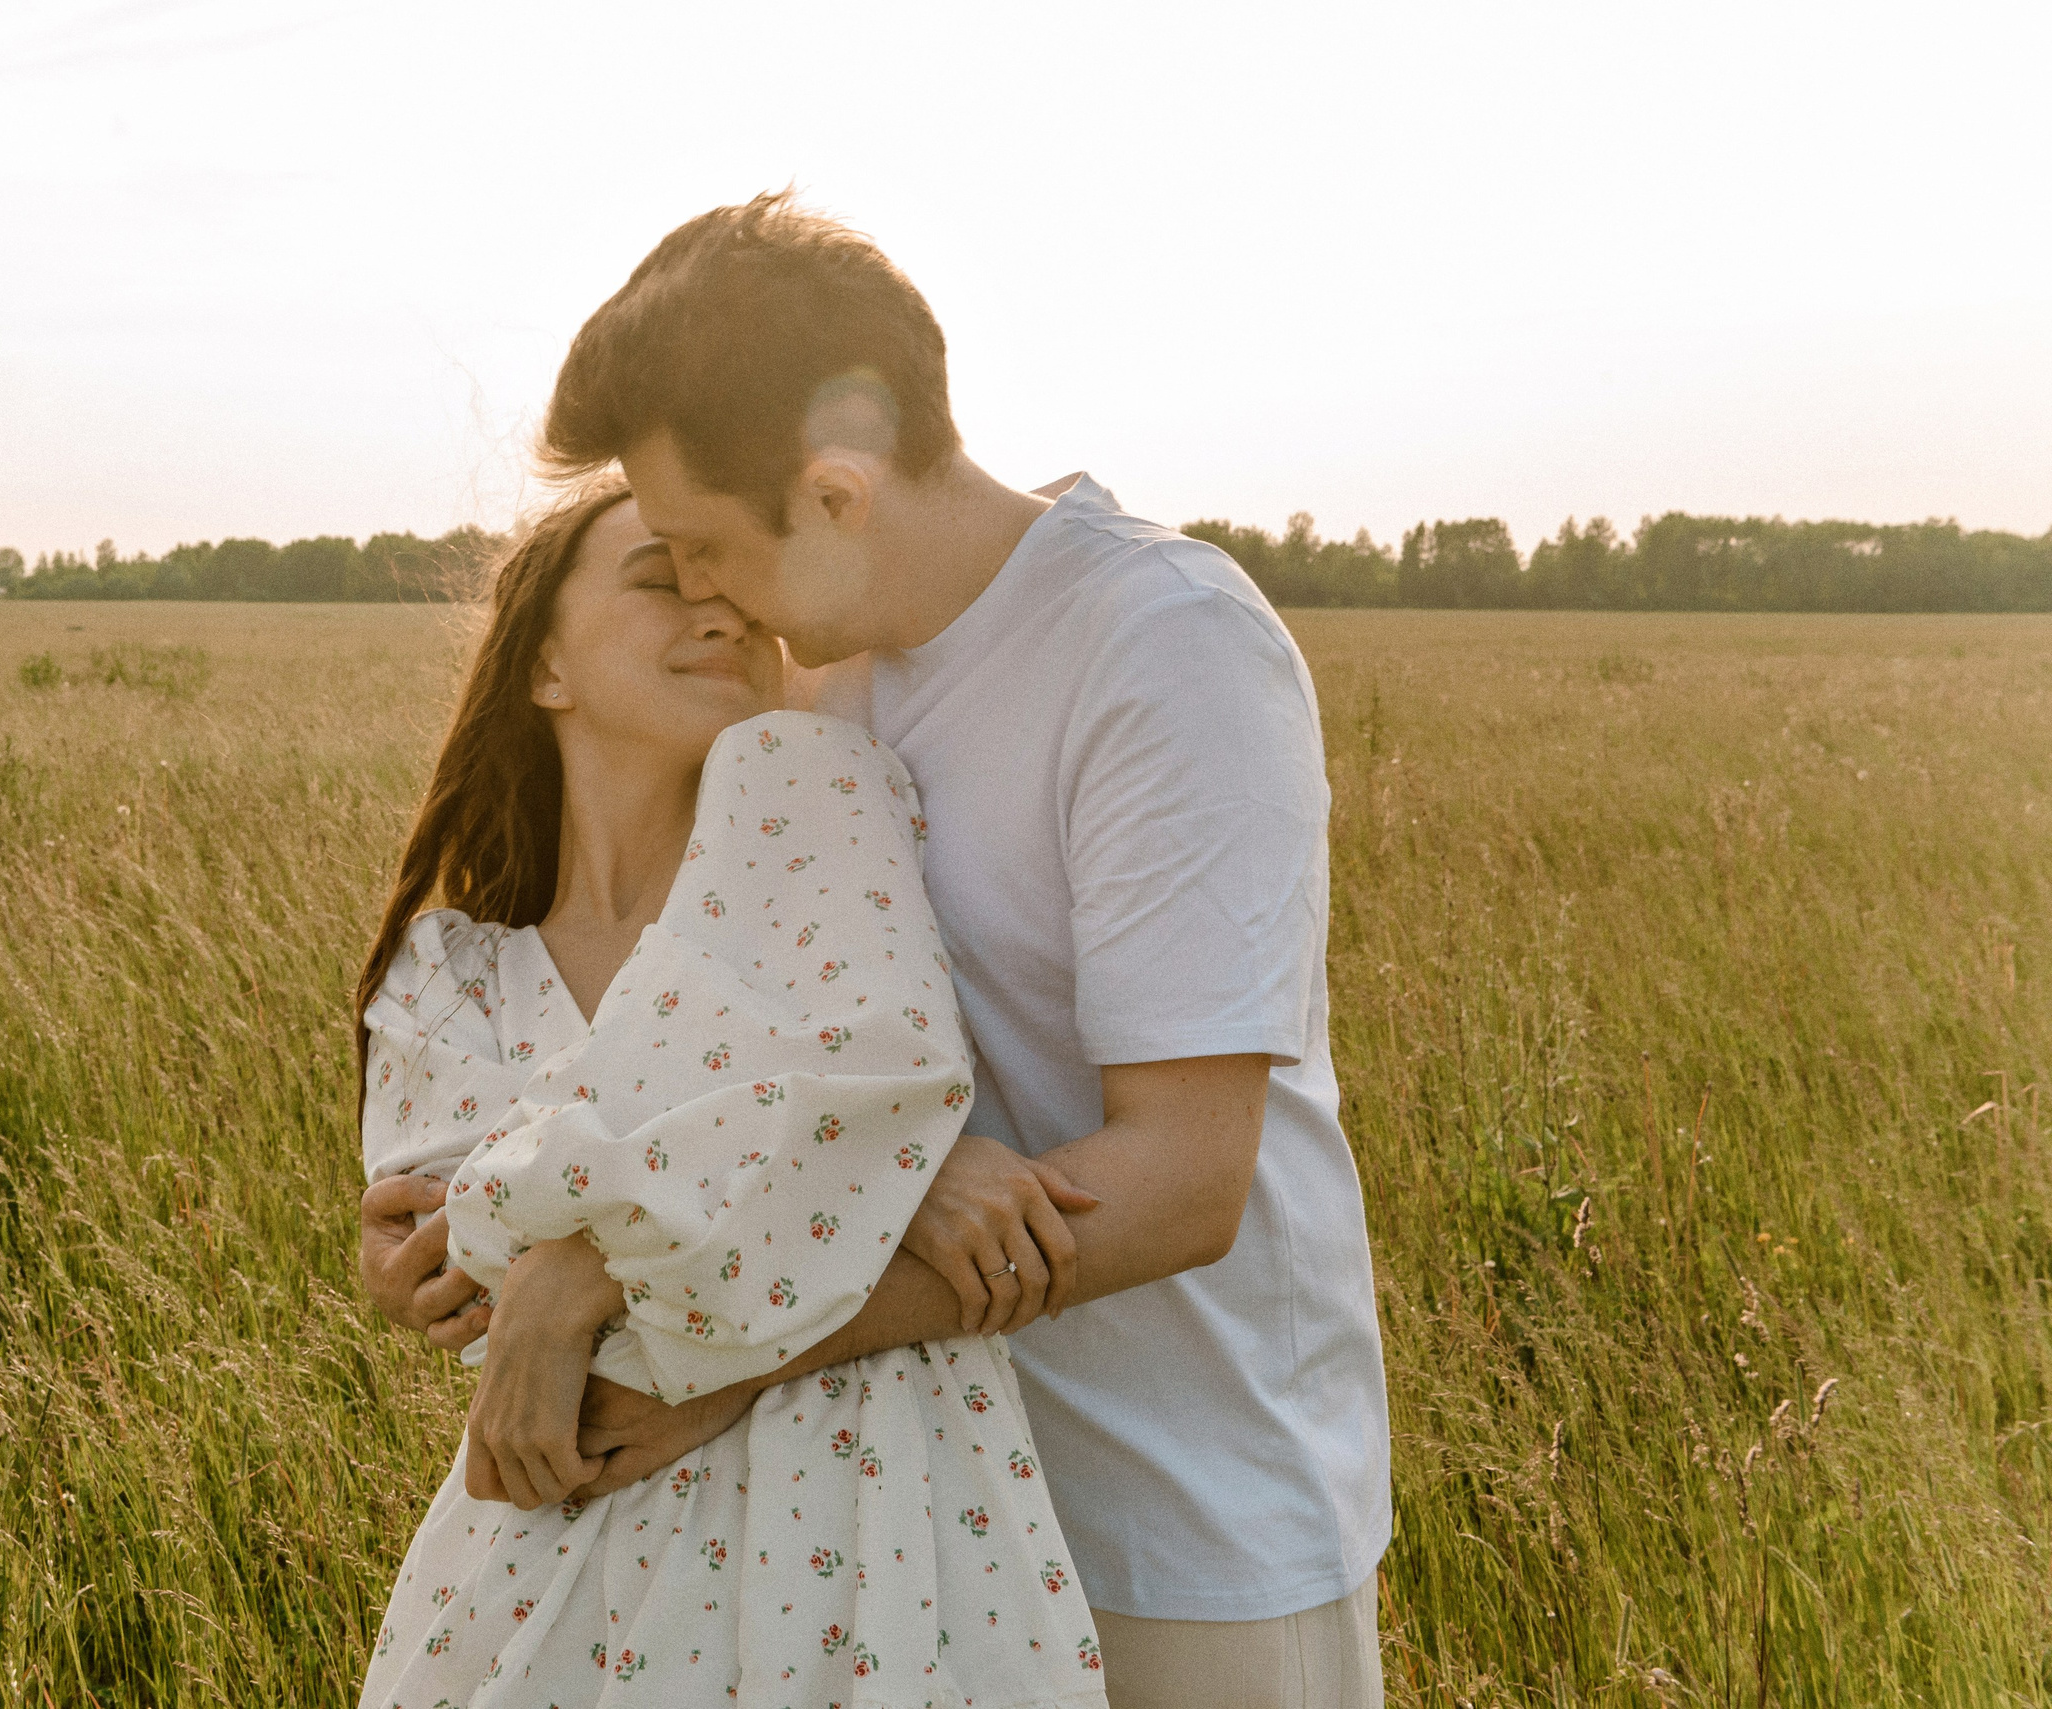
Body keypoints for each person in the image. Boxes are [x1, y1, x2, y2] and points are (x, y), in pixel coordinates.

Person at [368, 192, 1393, 1708]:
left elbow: (1183, 1180)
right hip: (904, 1531)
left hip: (1185, 1522)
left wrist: (700, 1347)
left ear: (838, 495)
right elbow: (751, 1075)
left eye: (709, 547)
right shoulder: (820, 708)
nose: (705, 596)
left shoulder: (1162, 651)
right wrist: (497, 1237)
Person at [351, 484, 1110, 1709]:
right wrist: (882, 1172)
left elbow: (882, 1072)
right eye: (662, 580)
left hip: (871, 1501)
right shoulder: (454, 973)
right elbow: (469, 1240)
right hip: (568, 1517)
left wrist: (590, 1245)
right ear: (543, 662)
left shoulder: (823, 791)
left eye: (737, 594)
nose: (717, 614)